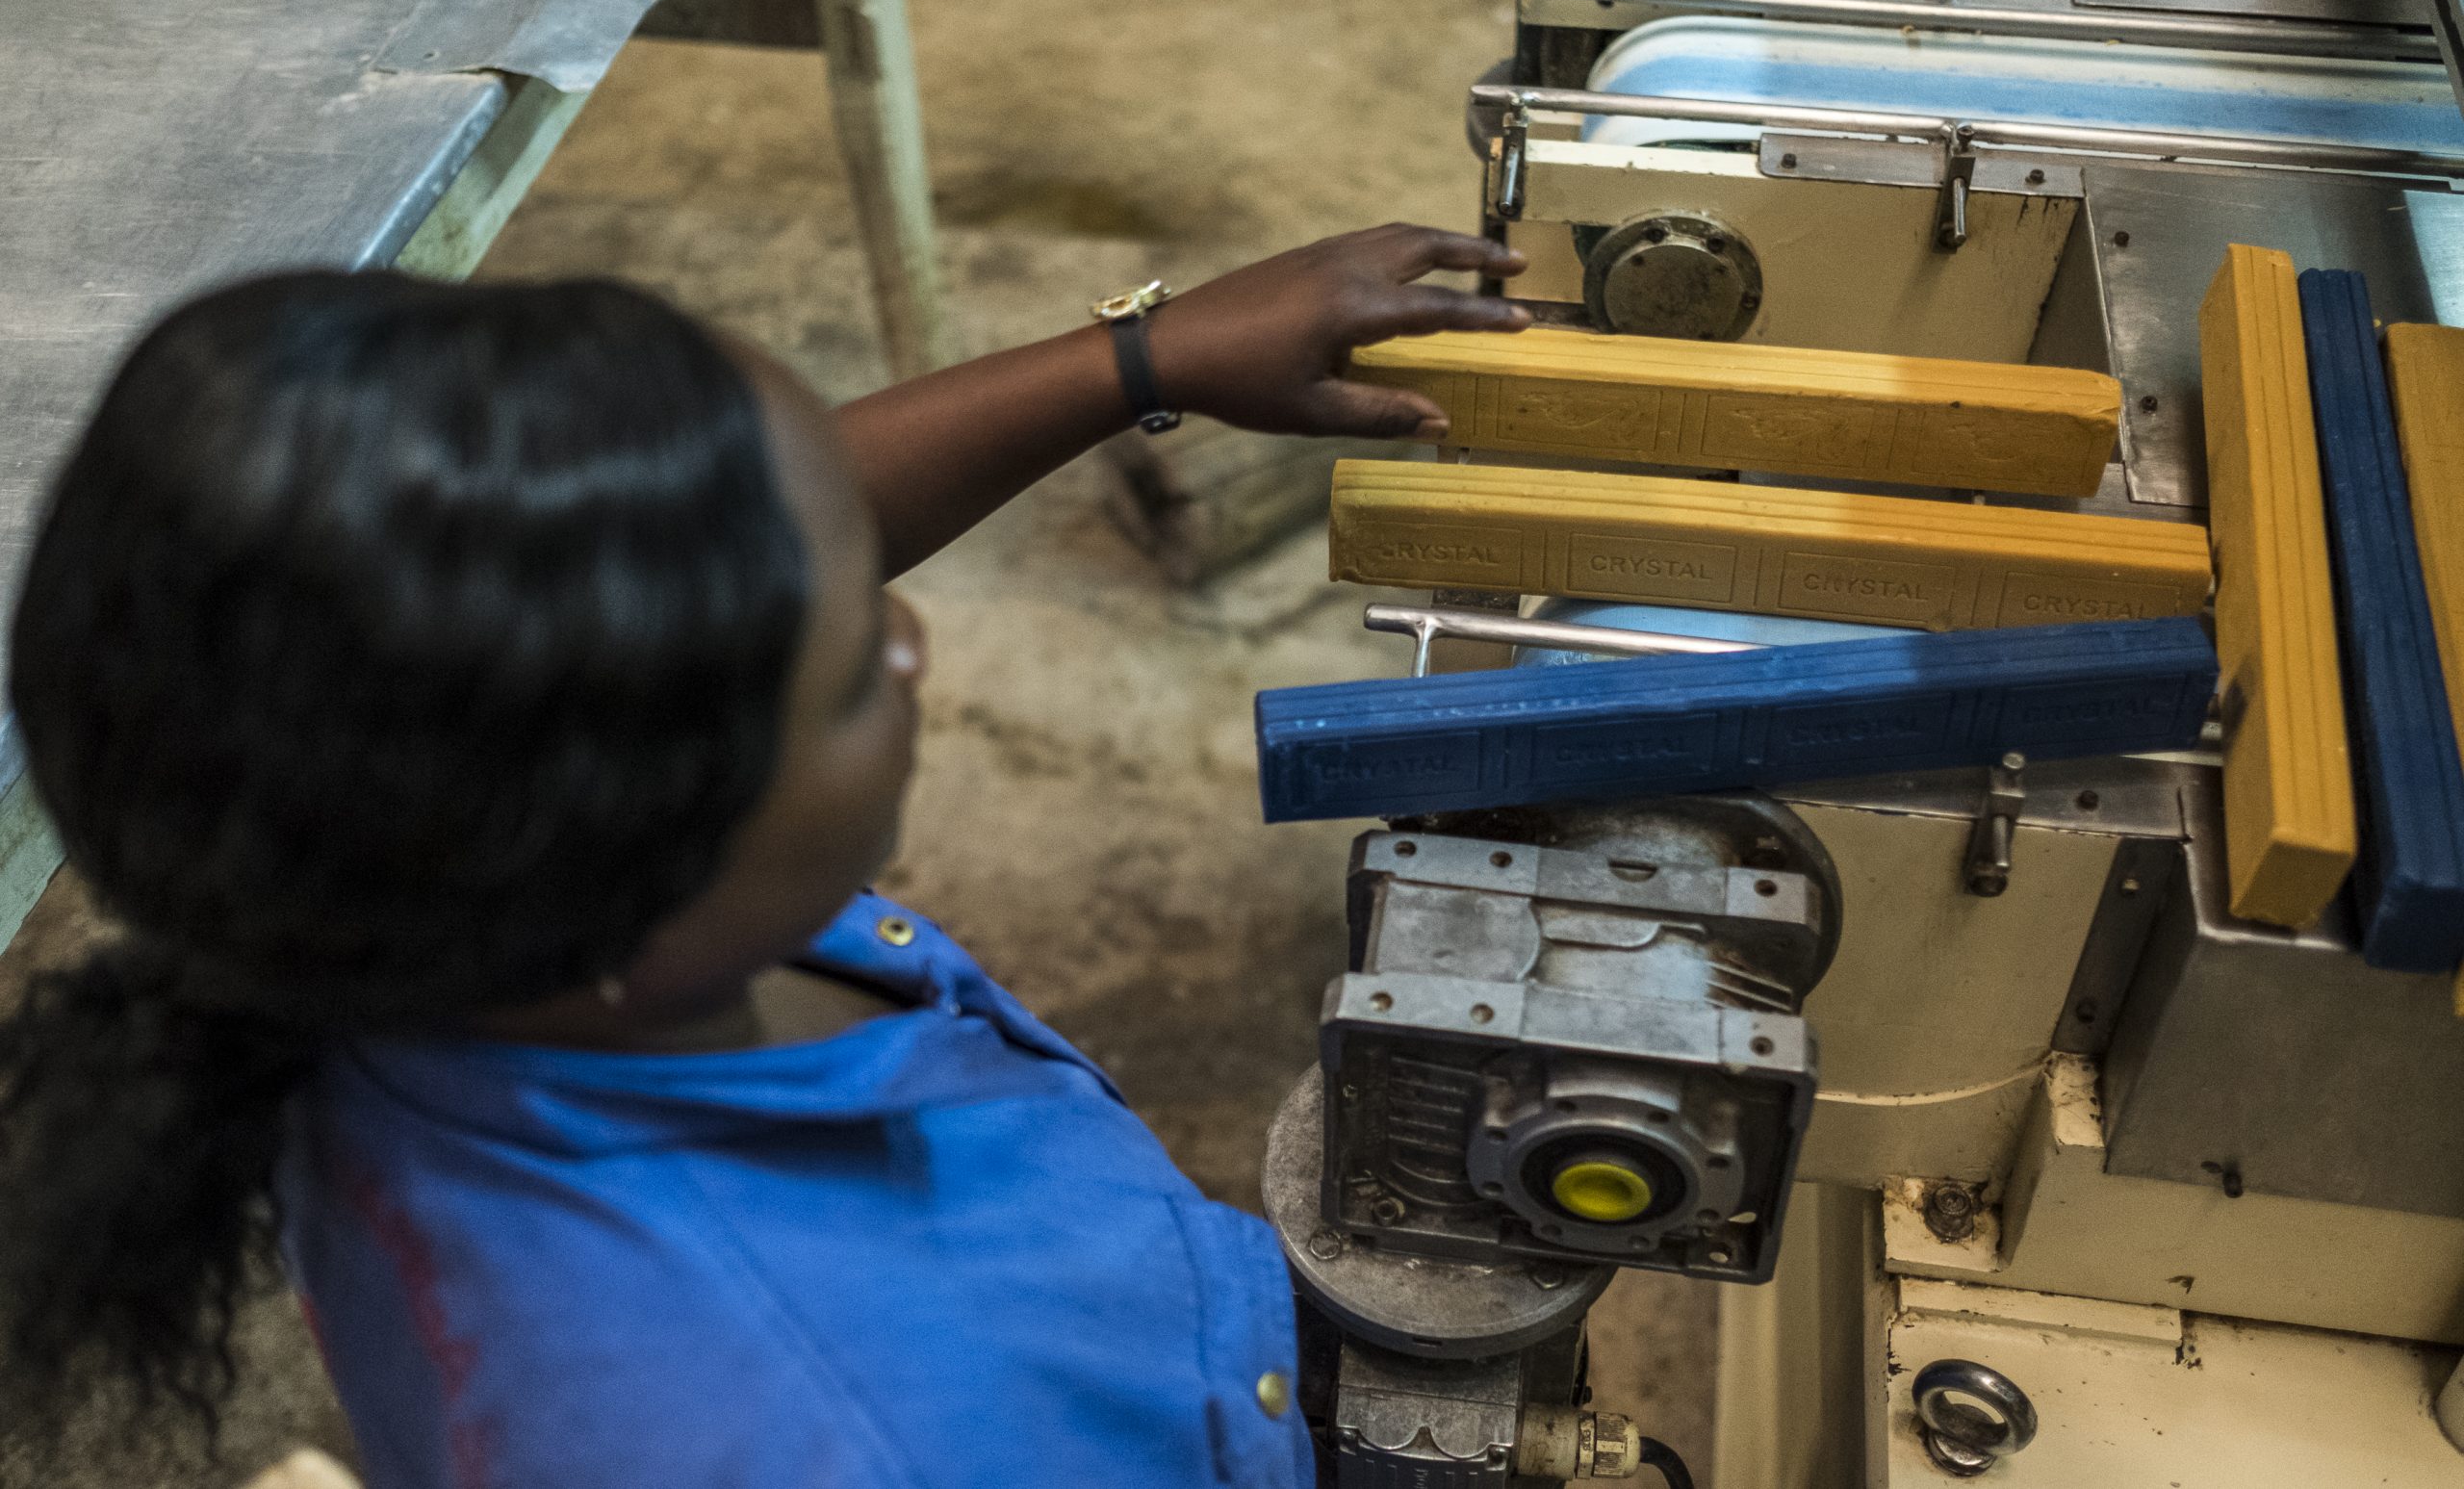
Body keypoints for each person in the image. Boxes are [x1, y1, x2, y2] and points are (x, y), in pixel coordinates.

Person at [0, 225, 1528, 1487]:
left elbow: (763, 531)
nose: (916, 637)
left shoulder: (381, 903)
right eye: (860, 664)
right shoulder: (851, 1424)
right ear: (623, 848)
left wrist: (1141, 358)